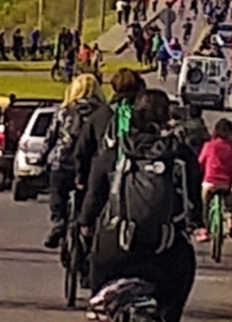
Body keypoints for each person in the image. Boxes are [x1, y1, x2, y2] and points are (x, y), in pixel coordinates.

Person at [79, 90, 203, 322]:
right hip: (164, 248)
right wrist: (196, 221)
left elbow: (94, 197)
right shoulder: (179, 154)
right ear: (167, 118)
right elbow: (193, 199)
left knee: (98, 295)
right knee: (176, 292)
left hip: (115, 247)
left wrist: (85, 225)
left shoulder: (114, 152)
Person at [40, 74, 106, 249]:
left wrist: (42, 158)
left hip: (63, 161)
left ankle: (58, 221)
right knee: (92, 197)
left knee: (57, 191)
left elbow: (51, 137)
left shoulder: (64, 111)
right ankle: (89, 227)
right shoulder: (103, 113)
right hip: (91, 165)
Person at [196, 118, 232, 242]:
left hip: (209, 181)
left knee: (203, 205)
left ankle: (204, 229)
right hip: (225, 182)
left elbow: (200, 162)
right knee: (230, 206)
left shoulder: (209, 145)